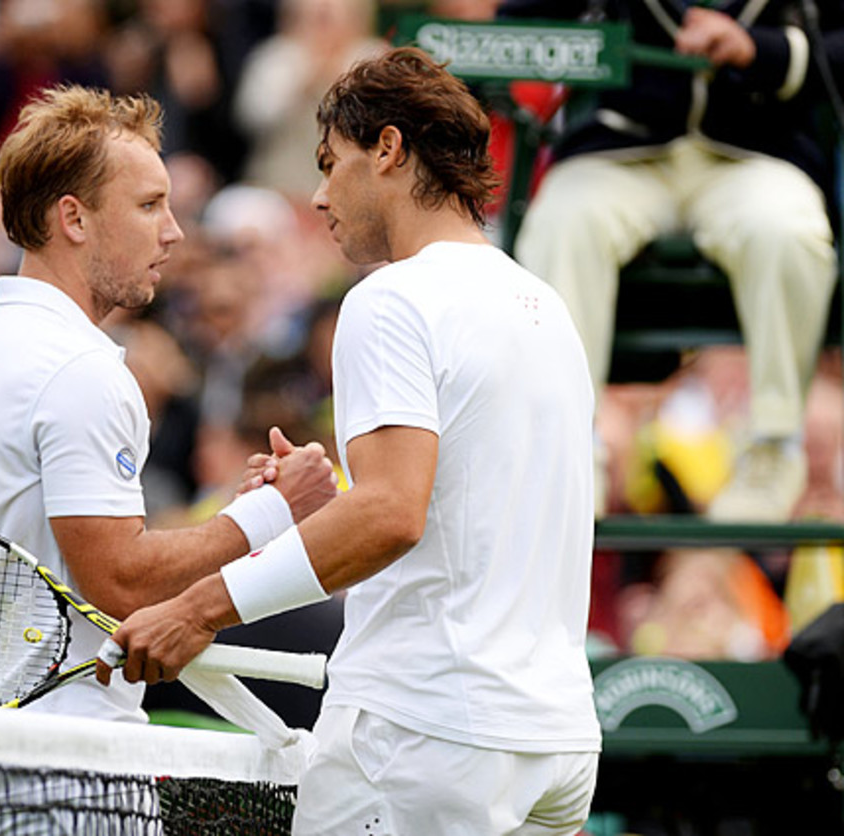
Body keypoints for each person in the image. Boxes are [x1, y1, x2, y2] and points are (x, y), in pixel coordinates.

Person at [97, 47, 602, 835]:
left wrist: (197, 609)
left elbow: (391, 513)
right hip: (557, 744)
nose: (320, 195)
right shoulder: (545, 306)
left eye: (331, 163)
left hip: (428, 736)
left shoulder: (390, 298)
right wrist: (322, 501)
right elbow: (448, 503)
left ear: (389, 150)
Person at [0, 84, 338, 724]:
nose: (174, 232)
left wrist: (238, 511)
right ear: (74, 219)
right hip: (62, 753)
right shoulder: (81, 369)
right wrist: (273, 511)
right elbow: (121, 581)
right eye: (149, 205)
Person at [499, 0, 843, 521]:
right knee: (562, 225)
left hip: (759, 150)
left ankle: (774, 449)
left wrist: (761, 51)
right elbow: (518, 24)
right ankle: (566, 452)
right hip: (622, 148)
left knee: (786, 232)